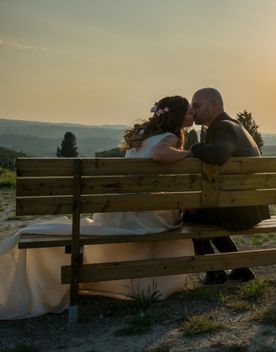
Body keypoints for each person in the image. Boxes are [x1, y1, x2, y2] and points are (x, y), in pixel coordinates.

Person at [0, 96, 195, 320]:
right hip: (145, 216)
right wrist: (189, 153)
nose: (193, 116)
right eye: (189, 112)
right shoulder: (169, 137)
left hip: (117, 212)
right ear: (177, 115)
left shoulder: (141, 136)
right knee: (178, 224)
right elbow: (158, 154)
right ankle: (151, 281)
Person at [186, 87, 271, 284]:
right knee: (205, 213)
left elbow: (219, 153)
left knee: (191, 216)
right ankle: (241, 269)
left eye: (196, 105)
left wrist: (193, 149)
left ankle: (214, 272)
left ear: (214, 106)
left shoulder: (223, 126)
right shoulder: (233, 124)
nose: (193, 110)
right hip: (249, 205)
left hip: (240, 209)